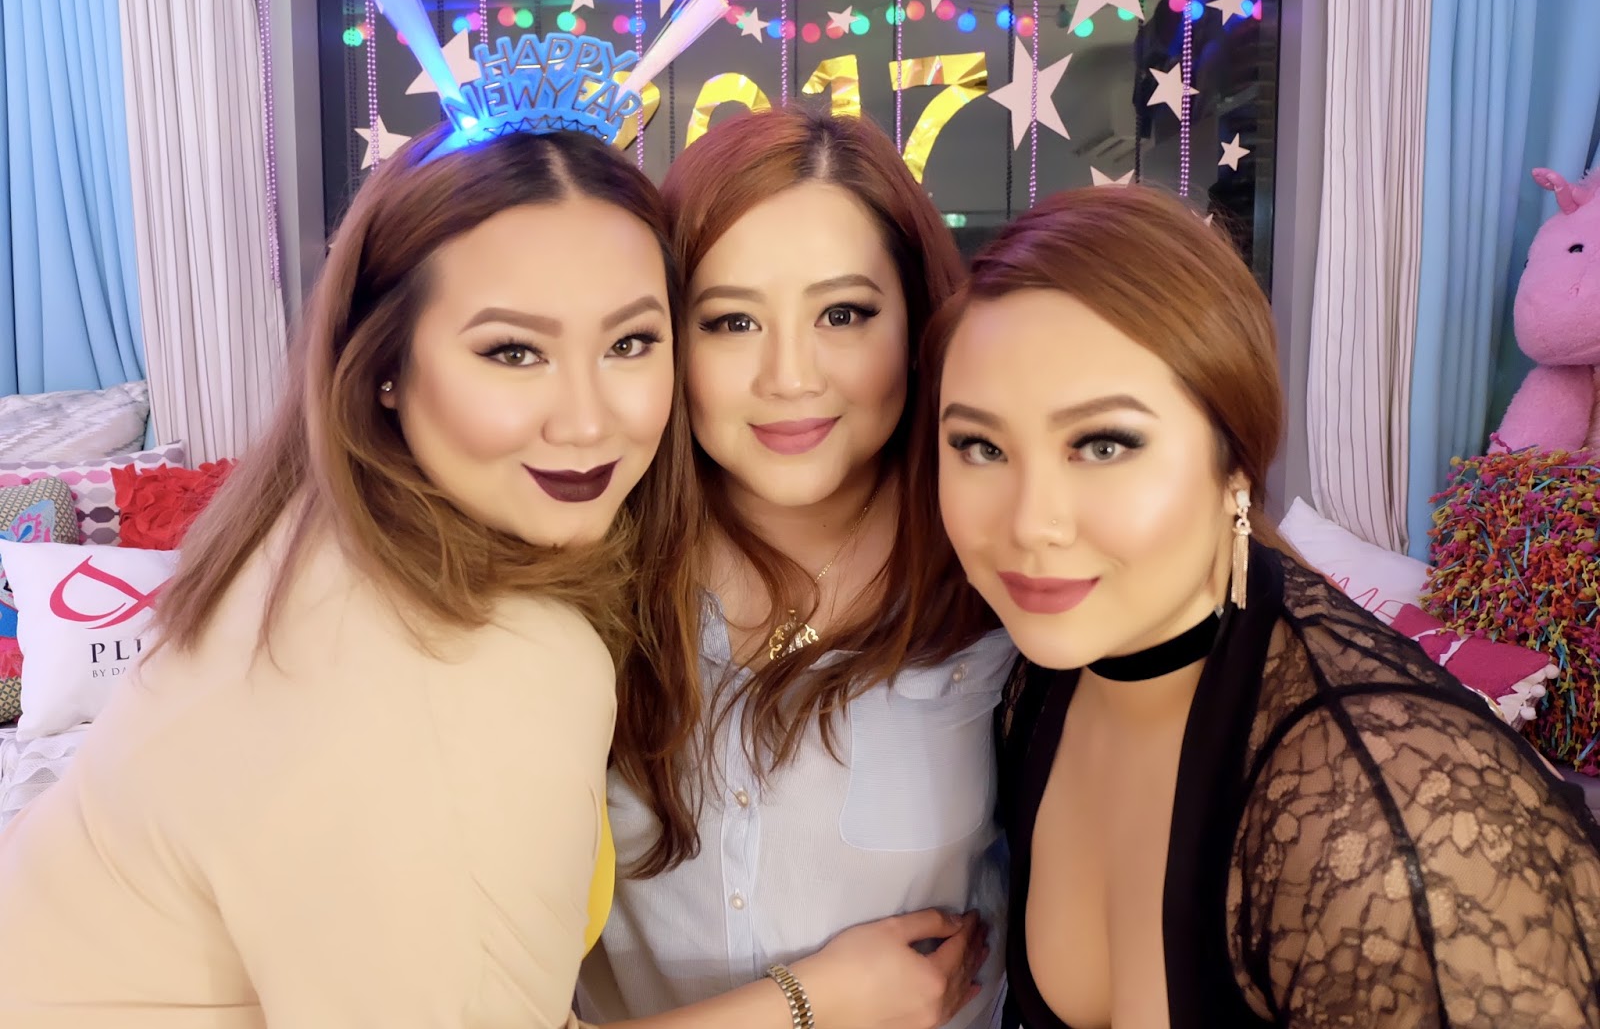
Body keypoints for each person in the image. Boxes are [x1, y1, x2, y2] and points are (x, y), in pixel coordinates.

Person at [0, 127, 690, 1028]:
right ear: (385, 366)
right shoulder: (479, 666)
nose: (588, 422)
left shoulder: (315, 532)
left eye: (631, 343)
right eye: (513, 352)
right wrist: (813, 999)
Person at [925, 183, 1600, 1028]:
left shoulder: (1389, 824)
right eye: (980, 446)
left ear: (1236, 463)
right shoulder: (1039, 674)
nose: (1030, 525)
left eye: (1102, 444)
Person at [578, 108, 1012, 1029]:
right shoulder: (586, 577)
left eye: (843, 314)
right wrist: (811, 1002)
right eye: (732, 320)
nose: (789, 376)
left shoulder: (1002, 572)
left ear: (919, 323)